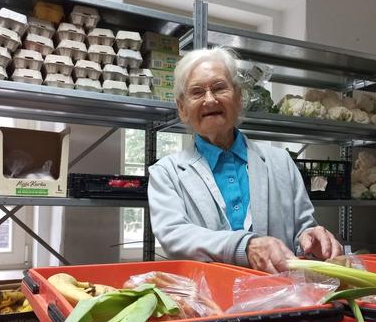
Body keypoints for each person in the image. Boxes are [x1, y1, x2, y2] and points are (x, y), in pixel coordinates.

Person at [147, 47, 343, 273]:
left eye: (219, 88)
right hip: (207, 300)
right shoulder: (166, 173)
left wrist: (312, 238)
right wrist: (246, 246)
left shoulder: (281, 162)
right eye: (197, 92)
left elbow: (303, 230)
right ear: (182, 108)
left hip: (280, 296)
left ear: (239, 98)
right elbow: (175, 236)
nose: (210, 100)